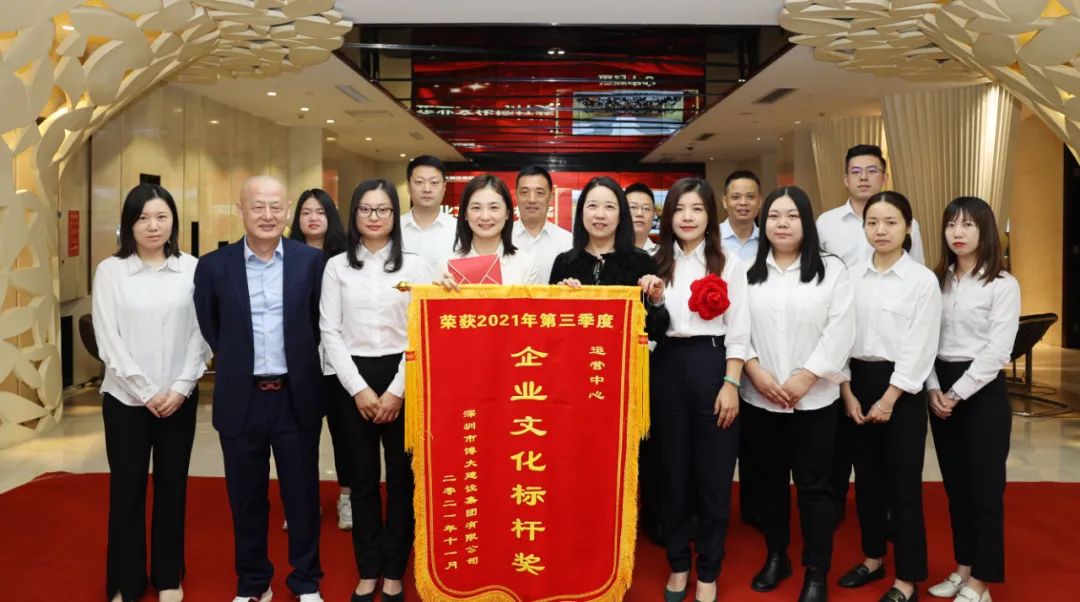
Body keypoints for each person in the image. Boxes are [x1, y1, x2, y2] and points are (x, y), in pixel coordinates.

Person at [193, 175, 326, 602]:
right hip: (242, 398)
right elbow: (211, 326)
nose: (267, 215)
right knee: (246, 498)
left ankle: (306, 581)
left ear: (287, 211)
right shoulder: (214, 266)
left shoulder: (311, 262)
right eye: (257, 206)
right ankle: (254, 582)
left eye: (275, 207)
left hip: (294, 396)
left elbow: (318, 324)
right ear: (241, 211)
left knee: (301, 495)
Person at [93, 183, 210, 602]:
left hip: (179, 399)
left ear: (173, 221)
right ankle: (125, 580)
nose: (153, 226)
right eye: (142, 218)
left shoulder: (193, 269)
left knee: (172, 488)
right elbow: (109, 340)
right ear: (129, 224)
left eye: (161, 217)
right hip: (126, 401)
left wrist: (180, 387)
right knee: (127, 491)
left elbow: (202, 334)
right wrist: (145, 391)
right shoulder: (110, 272)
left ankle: (168, 576)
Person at [741, 186, 855, 602]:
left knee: (814, 489)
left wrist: (807, 376)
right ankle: (777, 556)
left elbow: (841, 329)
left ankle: (816, 571)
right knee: (769, 485)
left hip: (815, 401)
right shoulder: (747, 272)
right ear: (764, 222)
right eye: (774, 216)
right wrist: (755, 371)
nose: (782, 224)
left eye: (792, 216)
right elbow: (737, 329)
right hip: (761, 399)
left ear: (807, 221)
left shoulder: (832, 270)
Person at [321, 179, 427, 602]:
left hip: (405, 372)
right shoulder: (337, 267)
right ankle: (368, 569)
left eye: (383, 209)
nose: (374, 217)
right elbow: (329, 331)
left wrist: (398, 390)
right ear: (354, 215)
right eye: (365, 209)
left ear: (394, 215)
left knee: (402, 480)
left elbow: (420, 331)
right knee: (362, 480)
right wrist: (359, 390)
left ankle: (394, 569)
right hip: (352, 378)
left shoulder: (415, 265)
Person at [837, 191, 940, 602]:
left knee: (903, 487)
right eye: (873, 222)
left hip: (903, 390)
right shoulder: (849, 275)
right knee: (866, 481)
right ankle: (873, 557)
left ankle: (908, 579)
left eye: (891, 222)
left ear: (908, 227)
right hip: (856, 383)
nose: (881, 230)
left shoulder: (922, 281)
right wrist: (846, 390)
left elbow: (921, 345)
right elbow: (839, 337)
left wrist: (889, 398)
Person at [651, 177, 750, 602]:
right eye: (679, 209)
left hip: (713, 364)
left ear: (710, 215)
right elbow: (646, 329)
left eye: (696, 209)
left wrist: (731, 382)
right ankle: (678, 565)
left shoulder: (729, 263)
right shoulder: (654, 262)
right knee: (672, 476)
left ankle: (708, 571)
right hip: (665, 367)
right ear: (668, 216)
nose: (687, 217)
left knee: (713, 478)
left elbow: (740, 330)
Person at [818, 144, 925, 526]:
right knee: (843, 446)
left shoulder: (909, 226)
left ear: (884, 175)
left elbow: (915, 283)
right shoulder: (826, 223)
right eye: (856, 171)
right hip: (846, 350)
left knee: (894, 459)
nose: (864, 177)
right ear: (845, 178)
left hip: (893, 352)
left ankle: (890, 515)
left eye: (872, 170)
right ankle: (838, 511)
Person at [925, 197, 1019, 602]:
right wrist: (933, 387)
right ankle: (962, 568)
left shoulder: (1002, 283)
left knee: (985, 489)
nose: (957, 233)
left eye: (967, 225)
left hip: (982, 390)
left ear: (985, 230)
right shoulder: (936, 280)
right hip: (939, 386)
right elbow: (924, 341)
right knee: (956, 487)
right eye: (951, 225)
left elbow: (998, 351)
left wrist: (956, 392)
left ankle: (982, 580)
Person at [289, 188, 353, 531]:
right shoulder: (285, 256)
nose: (313, 218)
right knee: (301, 437)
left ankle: (347, 497)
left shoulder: (346, 256)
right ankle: (304, 502)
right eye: (306, 212)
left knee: (345, 435)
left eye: (320, 212)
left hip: (339, 362)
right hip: (301, 362)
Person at [436, 174, 541, 287]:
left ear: (507, 213)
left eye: (494, 207)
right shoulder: (446, 265)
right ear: (465, 214)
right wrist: (440, 293)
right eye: (476, 208)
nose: (485, 217)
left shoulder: (526, 265)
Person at [511, 165, 573, 283]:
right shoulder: (502, 238)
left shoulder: (568, 242)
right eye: (524, 192)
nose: (532, 199)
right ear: (516, 196)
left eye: (539, 193)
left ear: (550, 197)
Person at [400, 155, 456, 271]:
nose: (427, 189)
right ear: (408, 187)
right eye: (419, 182)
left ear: (444, 187)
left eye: (434, 182)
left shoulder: (459, 230)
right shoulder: (394, 228)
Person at [718, 170, 762, 263]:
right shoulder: (710, 238)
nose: (743, 202)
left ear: (759, 202)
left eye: (750, 196)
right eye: (736, 197)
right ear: (725, 202)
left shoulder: (769, 240)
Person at [625, 182, 659, 254]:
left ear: (654, 214)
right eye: (633, 207)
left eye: (646, 208)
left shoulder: (664, 255)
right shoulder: (607, 253)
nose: (639, 213)